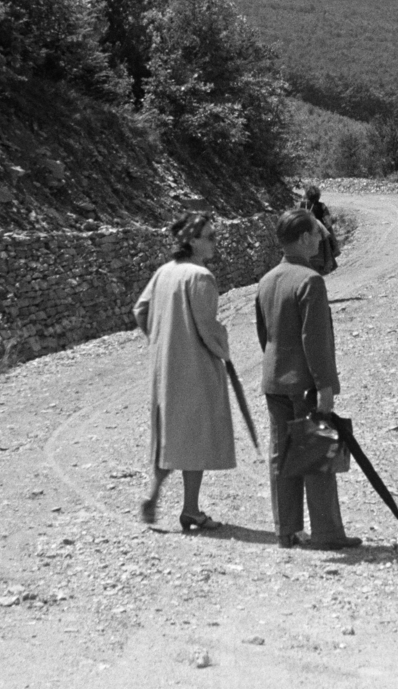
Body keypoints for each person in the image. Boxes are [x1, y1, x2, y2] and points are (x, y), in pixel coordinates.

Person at [255, 208, 361, 549]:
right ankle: (327, 533)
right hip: (304, 384)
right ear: (303, 238)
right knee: (317, 453)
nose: (322, 238)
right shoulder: (311, 281)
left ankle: (286, 529)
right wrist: (325, 386)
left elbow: (264, 334)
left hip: (274, 380)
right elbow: (314, 339)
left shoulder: (267, 280)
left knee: (281, 454)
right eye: (317, 233)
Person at [133, 213, 235, 532]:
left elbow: (141, 310)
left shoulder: (164, 272)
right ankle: (190, 509)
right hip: (195, 367)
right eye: (210, 236)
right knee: (194, 437)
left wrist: (160, 338)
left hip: (165, 368)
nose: (215, 241)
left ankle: (155, 494)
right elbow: (206, 326)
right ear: (193, 241)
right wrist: (223, 345)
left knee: (168, 435)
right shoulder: (200, 277)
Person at [298, 183, 340, 276]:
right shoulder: (321, 206)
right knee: (327, 234)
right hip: (318, 234)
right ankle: (334, 249)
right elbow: (328, 223)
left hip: (303, 234)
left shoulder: (300, 205)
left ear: (306, 194)